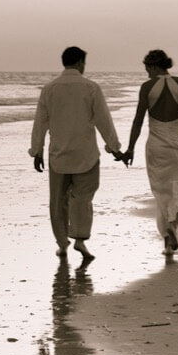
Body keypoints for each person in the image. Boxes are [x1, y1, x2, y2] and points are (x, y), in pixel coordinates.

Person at [29, 46, 124, 260]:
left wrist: (37, 150)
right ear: (80, 62)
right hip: (86, 154)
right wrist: (114, 148)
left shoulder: (49, 89)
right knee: (83, 198)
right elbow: (103, 120)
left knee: (57, 201)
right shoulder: (91, 88)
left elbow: (40, 122)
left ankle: (62, 243)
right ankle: (80, 240)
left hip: (59, 154)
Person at [122, 49, 178, 255]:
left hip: (156, 147)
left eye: (147, 68)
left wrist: (130, 148)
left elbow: (138, 120)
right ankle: (172, 228)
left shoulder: (147, 87)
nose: (147, 72)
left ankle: (168, 238)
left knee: (162, 194)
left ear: (153, 66)